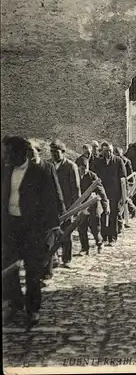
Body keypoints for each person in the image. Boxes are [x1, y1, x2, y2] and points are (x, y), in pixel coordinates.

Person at [2, 136, 63, 328]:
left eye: (9, 153)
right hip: (11, 226)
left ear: (21, 153)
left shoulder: (39, 171)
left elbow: (51, 199)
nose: (5, 156)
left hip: (32, 229)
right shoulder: (5, 170)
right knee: (9, 266)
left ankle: (33, 308)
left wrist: (54, 227)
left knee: (32, 270)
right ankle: (15, 302)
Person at [27, 139, 65, 281]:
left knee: (48, 244)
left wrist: (62, 208)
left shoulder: (48, 167)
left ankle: (47, 272)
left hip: (48, 212)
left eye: (31, 151)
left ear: (38, 152)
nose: (28, 154)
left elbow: (57, 189)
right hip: (32, 213)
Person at [50, 140, 81, 268]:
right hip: (52, 205)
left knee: (66, 233)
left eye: (56, 152)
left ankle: (67, 259)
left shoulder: (70, 166)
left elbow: (76, 189)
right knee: (52, 233)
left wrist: (75, 208)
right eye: (52, 152)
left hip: (67, 206)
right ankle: (54, 258)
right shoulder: (48, 165)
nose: (54, 155)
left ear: (63, 152)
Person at [92, 142, 127, 245]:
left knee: (113, 215)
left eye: (111, 151)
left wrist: (123, 195)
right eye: (107, 151)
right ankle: (104, 237)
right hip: (102, 193)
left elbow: (123, 178)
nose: (109, 153)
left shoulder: (118, 161)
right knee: (102, 215)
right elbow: (94, 176)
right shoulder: (98, 162)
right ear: (103, 151)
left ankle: (113, 238)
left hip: (114, 193)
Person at [76, 157, 109, 255]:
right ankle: (84, 248)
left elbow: (102, 192)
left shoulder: (92, 176)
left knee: (95, 227)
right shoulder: (75, 176)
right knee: (82, 228)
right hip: (80, 206)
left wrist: (105, 206)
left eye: (86, 167)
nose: (84, 170)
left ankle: (99, 244)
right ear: (78, 167)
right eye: (82, 168)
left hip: (93, 206)